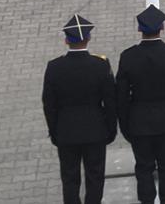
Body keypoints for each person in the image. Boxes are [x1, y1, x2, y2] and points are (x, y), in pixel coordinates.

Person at [119, 6, 165, 204]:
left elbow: (121, 97)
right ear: (162, 27)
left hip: (139, 124)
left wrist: (125, 126)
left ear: (139, 29)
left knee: (144, 168)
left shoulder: (128, 57)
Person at [45, 15, 116, 204]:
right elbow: (110, 101)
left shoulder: (54, 67)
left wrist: (54, 131)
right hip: (95, 131)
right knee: (95, 176)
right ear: (88, 38)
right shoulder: (100, 65)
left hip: (66, 132)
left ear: (66, 40)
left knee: (69, 178)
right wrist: (111, 129)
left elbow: (49, 104)